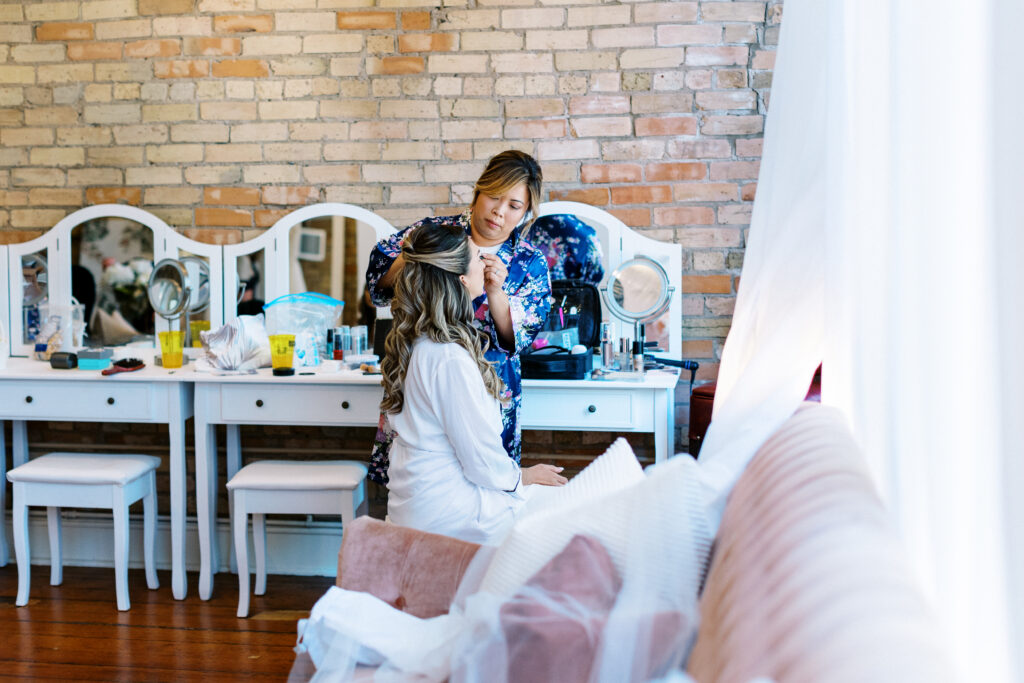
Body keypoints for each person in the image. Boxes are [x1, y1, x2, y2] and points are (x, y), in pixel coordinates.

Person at [366, 150, 551, 484]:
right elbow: (378, 282)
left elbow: (517, 340)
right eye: (494, 196)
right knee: (416, 474)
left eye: (514, 205)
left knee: (485, 475)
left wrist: (496, 293)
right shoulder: (436, 232)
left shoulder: (529, 262)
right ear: (478, 191)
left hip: (487, 383)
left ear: (526, 212)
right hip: (420, 369)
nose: (499, 211)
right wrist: (421, 255)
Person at [381, 222, 566, 543]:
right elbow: (480, 459)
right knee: (562, 512)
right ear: (463, 279)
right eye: (480, 256)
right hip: (447, 512)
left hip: (419, 500)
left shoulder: (417, 342)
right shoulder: (449, 358)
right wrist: (523, 477)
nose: (488, 263)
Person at [527, 213, 605, 285]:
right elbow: (595, 276)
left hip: (527, 295)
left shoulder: (524, 229)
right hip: (573, 296)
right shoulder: (588, 237)